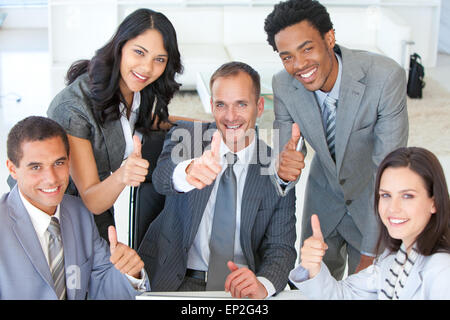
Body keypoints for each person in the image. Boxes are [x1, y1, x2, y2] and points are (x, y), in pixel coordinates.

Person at [264, 0, 409, 279]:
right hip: (322, 202)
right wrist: (284, 170)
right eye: (287, 57)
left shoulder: (385, 77)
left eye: (307, 48)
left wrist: (371, 252)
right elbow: (284, 158)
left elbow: (388, 171)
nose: (299, 65)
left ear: (329, 38)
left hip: (373, 207)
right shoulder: (283, 84)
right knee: (312, 289)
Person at [137, 62, 297, 299]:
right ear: (212, 106)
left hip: (241, 289)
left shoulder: (277, 167)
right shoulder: (189, 136)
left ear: (259, 106)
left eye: (241, 104)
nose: (231, 117)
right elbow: (161, 179)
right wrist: (188, 172)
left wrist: (262, 284)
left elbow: (280, 247)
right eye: (221, 105)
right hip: (176, 282)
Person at [46, 8, 193, 241]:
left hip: (99, 204)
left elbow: (145, 121)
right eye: (139, 52)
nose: (147, 68)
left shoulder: (135, 87)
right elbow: (92, 200)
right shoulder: (73, 109)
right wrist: (125, 174)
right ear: (120, 47)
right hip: (60, 216)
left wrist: (212, 122)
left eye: (159, 59)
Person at [0, 116, 150, 300]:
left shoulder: (79, 212)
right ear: (12, 169)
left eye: (58, 163)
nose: (52, 178)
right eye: (36, 167)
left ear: (69, 161)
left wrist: (131, 274)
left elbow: (104, 285)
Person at [289, 147, 450, 299]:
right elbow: (344, 295)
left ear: (434, 202)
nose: (393, 208)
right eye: (386, 195)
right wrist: (313, 266)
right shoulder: (392, 260)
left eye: (407, 196)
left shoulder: (442, 270)